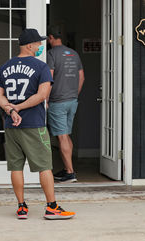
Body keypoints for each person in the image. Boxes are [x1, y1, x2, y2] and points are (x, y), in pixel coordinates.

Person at [0, 28, 75, 220]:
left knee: (15, 167)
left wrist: (11, 110)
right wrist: (20, 108)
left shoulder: (5, 67)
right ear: (30, 45)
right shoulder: (41, 67)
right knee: (45, 166)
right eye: (38, 44)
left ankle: (21, 207)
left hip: (11, 125)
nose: (41, 46)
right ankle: (52, 207)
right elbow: (42, 95)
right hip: (33, 124)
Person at [46, 26, 85, 183]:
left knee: (61, 137)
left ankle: (70, 172)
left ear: (51, 37)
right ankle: (68, 169)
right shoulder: (74, 54)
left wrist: (46, 100)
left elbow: (49, 78)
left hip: (58, 101)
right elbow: (81, 77)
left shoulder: (51, 54)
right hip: (71, 101)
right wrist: (74, 94)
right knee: (66, 135)